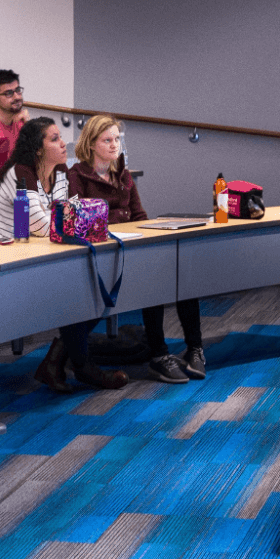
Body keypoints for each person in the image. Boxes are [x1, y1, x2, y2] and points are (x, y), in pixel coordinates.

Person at [0, 118, 126, 392]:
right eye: (54, 139)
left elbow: (70, 213)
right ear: (38, 149)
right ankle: (78, 366)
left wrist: (70, 218)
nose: (64, 143)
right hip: (6, 256)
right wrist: (70, 219)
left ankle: (60, 363)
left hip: (47, 250)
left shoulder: (61, 171)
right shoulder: (20, 171)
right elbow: (41, 223)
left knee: (93, 287)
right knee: (79, 288)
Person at [67, 115, 205, 383]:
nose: (114, 145)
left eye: (117, 139)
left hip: (131, 245)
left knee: (182, 273)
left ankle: (195, 348)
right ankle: (159, 355)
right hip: (101, 254)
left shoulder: (123, 174)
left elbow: (140, 215)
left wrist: (147, 231)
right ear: (91, 144)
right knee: (152, 281)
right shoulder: (77, 176)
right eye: (107, 140)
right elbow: (80, 220)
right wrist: (120, 218)